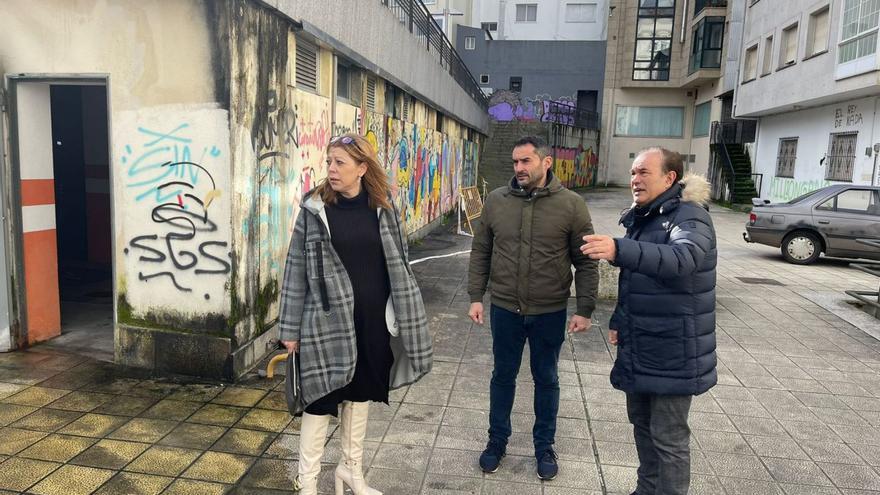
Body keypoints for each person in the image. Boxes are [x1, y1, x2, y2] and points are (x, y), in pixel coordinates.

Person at [278, 133, 433, 495]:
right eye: (329, 162)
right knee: (319, 399)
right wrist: (289, 327)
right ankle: (308, 483)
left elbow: (400, 262)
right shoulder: (314, 209)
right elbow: (295, 269)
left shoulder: (384, 207)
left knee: (360, 394)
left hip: (372, 321)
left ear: (361, 169)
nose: (331, 169)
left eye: (340, 163)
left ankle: (351, 473)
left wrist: (405, 313)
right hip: (325, 323)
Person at [581, 147, 717, 495]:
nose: (634, 180)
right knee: (642, 426)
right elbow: (636, 281)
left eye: (643, 172)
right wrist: (619, 318)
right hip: (641, 343)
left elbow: (682, 258)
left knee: (669, 439)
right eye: (632, 173)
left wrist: (617, 249)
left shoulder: (689, 215)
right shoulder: (646, 216)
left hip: (674, 349)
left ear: (670, 177)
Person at [467, 135, 599, 481]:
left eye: (526, 161)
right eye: (515, 162)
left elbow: (585, 262)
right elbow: (480, 251)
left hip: (549, 311)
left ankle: (544, 446)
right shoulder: (497, 201)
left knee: (547, 378)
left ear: (546, 162)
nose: (519, 168)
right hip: (505, 309)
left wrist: (585, 308)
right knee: (502, 376)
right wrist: (475, 296)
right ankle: (497, 442)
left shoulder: (571, 205)